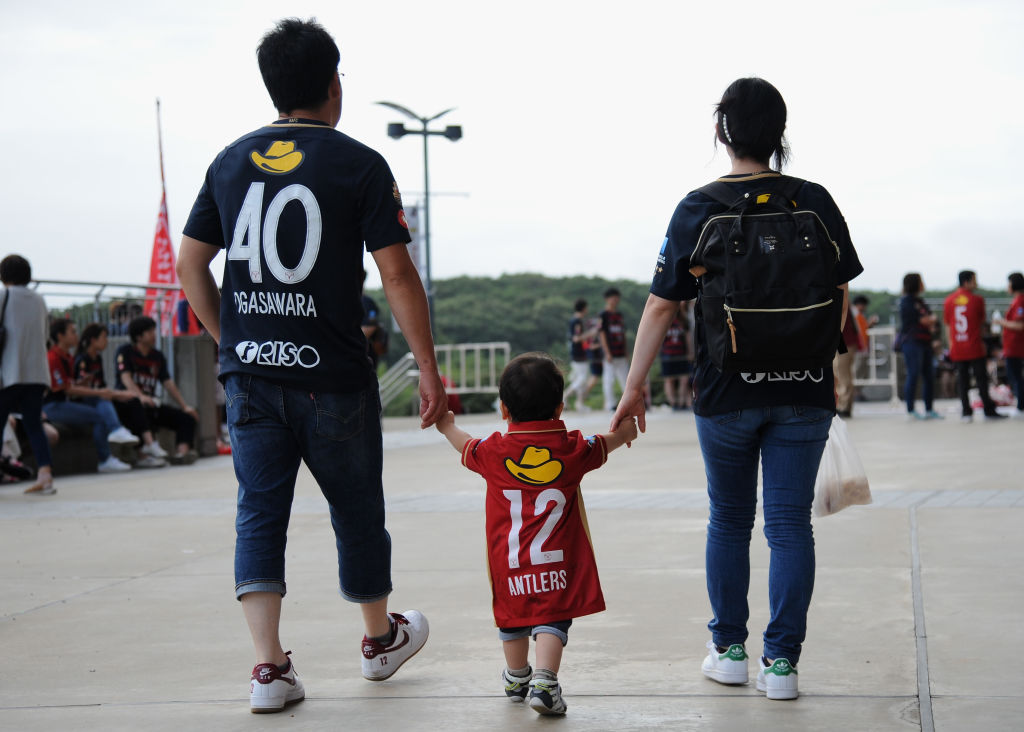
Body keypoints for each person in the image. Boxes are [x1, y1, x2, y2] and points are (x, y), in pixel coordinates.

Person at [175, 17, 447, 714]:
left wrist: (230, 341)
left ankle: (269, 668)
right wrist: (427, 366)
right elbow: (397, 274)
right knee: (356, 508)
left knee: (259, 514)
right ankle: (379, 639)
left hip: (251, 375)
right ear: (333, 85)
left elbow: (191, 263)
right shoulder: (360, 164)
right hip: (334, 376)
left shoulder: (230, 161)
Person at [610, 78, 863, 701]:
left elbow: (661, 305)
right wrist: (818, 362)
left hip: (726, 391)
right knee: (789, 524)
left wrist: (634, 388)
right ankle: (782, 665)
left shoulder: (699, 206)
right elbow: (841, 294)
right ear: (780, 132)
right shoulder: (815, 201)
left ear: (722, 130)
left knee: (728, 519)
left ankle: (728, 650)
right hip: (804, 391)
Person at [435, 353, 637, 716]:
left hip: (509, 560)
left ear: (504, 409)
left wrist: (446, 425)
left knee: (512, 616)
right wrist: (625, 432)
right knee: (552, 617)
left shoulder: (493, 452)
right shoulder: (572, 448)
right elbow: (605, 442)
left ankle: (516, 677)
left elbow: (465, 444)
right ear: (559, 408)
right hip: (557, 562)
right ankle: (545, 681)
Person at [42, 319, 135, 473]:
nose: (76, 335)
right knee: (98, 415)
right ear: (60, 336)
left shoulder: (67, 356)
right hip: (52, 406)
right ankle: (106, 457)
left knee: (101, 406)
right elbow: (66, 389)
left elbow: (69, 384)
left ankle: (114, 437)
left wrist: (81, 383)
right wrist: (100, 392)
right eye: (72, 332)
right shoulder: (53, 357)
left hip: (62, 403)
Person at [0, 255, 56, 495]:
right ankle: (45, 475)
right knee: (34, 424)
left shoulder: (4, 296)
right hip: (37, 374)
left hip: (9, 373)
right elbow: (45, 336)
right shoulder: (39, 300)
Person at [75, 323, 167, 468]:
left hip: (100, 397)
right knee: (107, 410)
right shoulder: (82, 360)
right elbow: (81, 389)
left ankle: (147, 446)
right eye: (104, 337)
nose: (106, 340)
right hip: (89, 400)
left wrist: (117, 394)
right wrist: (114, 394)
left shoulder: (97, 358)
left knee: (134, 402)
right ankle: (119, 435)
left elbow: (101, 386)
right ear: (93, 340)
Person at [113, 316, 199, 464]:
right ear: (139, 336)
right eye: (150, 332)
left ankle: (181, 454)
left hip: (151, 404)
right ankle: (145, 453)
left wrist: (184, 406)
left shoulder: (157, 356)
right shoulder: (125, 351)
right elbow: (125, 378)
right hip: (129, 404)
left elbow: (168, 383)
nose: (154, 335)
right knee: (138, 408)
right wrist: (140, 396)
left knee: (186, 417)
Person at [942, 270, 1004, 422]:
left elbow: (948, 325)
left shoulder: (949, 300)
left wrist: (951, 343)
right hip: (974, 345)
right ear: (967, 282)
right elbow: (981, 323)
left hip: (957, 346)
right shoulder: (977, 300)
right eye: (974, 280)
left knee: (962, 380)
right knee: (981, 379)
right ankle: (988, 410)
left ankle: (966, 412)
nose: (976, 284)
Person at [898, 273, 941, 419]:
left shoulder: (920, 301)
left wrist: (930, 320)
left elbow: (930, 320)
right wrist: (931, 319)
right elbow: (926, 320)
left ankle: (929, 409)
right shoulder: (906, 302)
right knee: (913, 374)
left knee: (929, 376)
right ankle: (910, 410)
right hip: (912, 343)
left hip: (925, 342)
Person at [995, 272, 1024, 416]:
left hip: (1016, 346)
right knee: (1015, 376)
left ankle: (1021, 406)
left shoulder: (1020, 301)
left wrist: (1001, 322)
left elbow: (1020, 325)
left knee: (1015, 376)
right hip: (1013, 346)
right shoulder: (1017, 301)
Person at [598, 287, 629, 411]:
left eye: (617, 298)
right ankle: (611, 404)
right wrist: (607, 352)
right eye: (613, 298)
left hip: (620, 351)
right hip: (610, 353)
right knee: (609, 380)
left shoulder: (619, 315)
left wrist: (626, 350)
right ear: (607, 299)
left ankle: (627, 403)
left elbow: (623, 333)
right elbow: (602, 334)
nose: (615, 300)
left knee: (625, 379)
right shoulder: (603, 315)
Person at [564, 299, 597, 410]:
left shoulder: (575, 320)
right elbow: (576, 338)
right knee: (582, 378)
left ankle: (579, 403)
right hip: (578, 353)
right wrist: (590, 333)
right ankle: (565, 396)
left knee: (579, 378)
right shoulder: (577, 321)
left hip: (578, 353)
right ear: (584, 308)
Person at [659, 301, 692, 410]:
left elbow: (687, 338)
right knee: (669, 380)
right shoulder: (664, 320)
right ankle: (673, 403)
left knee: (684, 379)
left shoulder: (683, 321)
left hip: (681, 354)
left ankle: (681, 402)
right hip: (667, 355)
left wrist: (690, 352)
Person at [833, 303, 860, 418]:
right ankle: (846, 406)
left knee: (842, 375)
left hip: (843, 342)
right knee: (845, 375)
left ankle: (843, 406)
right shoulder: (846, 303)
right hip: (846, 342)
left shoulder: (839, 301)